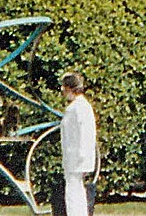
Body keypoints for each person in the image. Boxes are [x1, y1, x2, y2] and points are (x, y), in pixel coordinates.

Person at [57, 71, 98, 216]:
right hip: (74, 158)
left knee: (73, 193)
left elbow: (85, 132)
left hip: (76, 158)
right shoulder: (78, 107)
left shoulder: (78, 108)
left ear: (70, 88)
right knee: (75, 191)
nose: (62, 90)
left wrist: (82, 154)